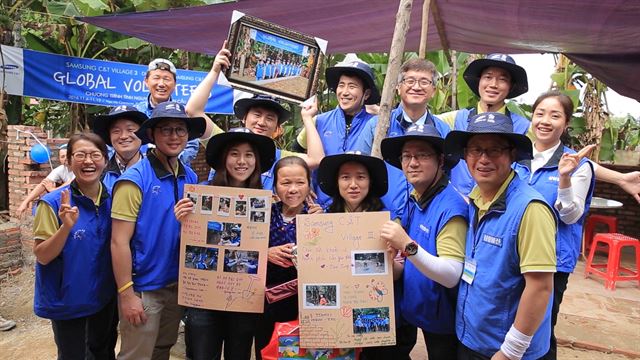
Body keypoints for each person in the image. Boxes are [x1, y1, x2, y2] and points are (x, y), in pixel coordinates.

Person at [444, 112, 557, 359]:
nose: (483, 159)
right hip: (473, 339)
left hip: (506, 350)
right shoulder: (475, 198)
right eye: (475, 150)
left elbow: (540, 287)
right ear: (465, 155)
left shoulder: (530, 209)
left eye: (494, 150)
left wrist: (510, 351)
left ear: (512, 155)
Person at [110, 101, 210, 359]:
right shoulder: (134, 180)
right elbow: (118, 242)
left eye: (180, 129)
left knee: (162, 349)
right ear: (152, 135)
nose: (174, 136)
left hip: (176, 284)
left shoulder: (189, 176)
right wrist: (126, 294)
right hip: (144, 287)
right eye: (166, 129)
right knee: (136, 354)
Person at [174, 127, 277, 360]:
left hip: (243, 299)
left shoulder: (268, 201)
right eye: (234, 154)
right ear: (223, 159)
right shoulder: (201, 195)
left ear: (257, 161)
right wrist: (181, 220)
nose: (242, 161)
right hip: (203, 298)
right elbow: (187, 244)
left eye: (249, 154)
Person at [513, 91, 596, 360]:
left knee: (541, 329)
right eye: (540, 113)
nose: (545, 121)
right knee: (515, 323)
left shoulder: (578, 164)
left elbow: (571, 216)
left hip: (552, 262)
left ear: (566, 123)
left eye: (555, 115)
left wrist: (564, 179)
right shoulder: (517, 157)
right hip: (514, 256)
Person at [379, 124, 469, 359]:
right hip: (425, 309)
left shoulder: (452, 208)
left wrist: (406, 244)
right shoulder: (416, 197)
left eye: (422, 155)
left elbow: (451, 275)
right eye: (406, 156)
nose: (412, 163)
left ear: (440, 160)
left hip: (444, 318)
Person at [185, 43, 324, 190]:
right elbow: (193, 110)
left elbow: (316, 160)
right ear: (244, 118)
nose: (262, 122)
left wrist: (308, 118)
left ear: (277, 127)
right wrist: (214, 71)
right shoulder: (225, 142)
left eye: (270, 118)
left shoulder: (277, 157)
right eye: (257, 115)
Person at [32, 132, 117, 359]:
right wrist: (66, 227)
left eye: (95, 155)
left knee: (102, 352)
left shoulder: (113, 199)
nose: (88, 161)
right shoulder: (52, 204)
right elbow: (42, 255)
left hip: (103, 298)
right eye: (80, 155)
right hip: (67, 302)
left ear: (105, 160)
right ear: (68, 161)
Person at [254, 156, 322, 359]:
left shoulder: (319, 218)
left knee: (297, 354)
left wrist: (321, 231)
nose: (293, 189)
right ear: (275, 186)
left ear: (309, 185)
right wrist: (265, 253)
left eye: (300, 182)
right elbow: (243, 247)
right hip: (266, 303)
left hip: (304, 306)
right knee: (267, 351)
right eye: (285, 183)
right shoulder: (262, 214)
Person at [293, 58, 382, 207]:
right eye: (341, 85)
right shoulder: (319, 121)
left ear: (366, 94)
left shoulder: (375, 125)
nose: (344, 92)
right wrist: (303, 179)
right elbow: (296, 150)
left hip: (359, 209)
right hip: (319, 207)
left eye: (352, 86)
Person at [134, 58, 201, 167]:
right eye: (156, 78)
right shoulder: (135, 112)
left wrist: (168, 161)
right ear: (146, 82)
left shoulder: (184, 113)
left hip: (176, 173)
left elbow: (192, 146)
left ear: (174, 84)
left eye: (166, 79)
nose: (161, 84)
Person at [88, 105, 148, 191]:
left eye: (130, 130)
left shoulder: (156, 171)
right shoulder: (99, 173)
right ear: (109, 136)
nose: (123, 136)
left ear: (142, 133)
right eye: (116, 131)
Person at [317, 152, 388, 213]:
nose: (353, 185)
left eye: (360, 177)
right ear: (337, 182)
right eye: (346, 177)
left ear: (370, 182)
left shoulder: (387, 220)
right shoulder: (328, 218)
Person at [16, 144, 75, 218]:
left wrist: (52, 190)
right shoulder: (61, 169)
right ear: (59, 159)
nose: (65, 158)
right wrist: (25, 202)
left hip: (81, 199)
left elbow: (69, 184)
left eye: (67, 155)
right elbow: (43, 184)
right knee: (40, 206)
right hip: (69, 198)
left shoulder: (79, 168)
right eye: (62, 156)